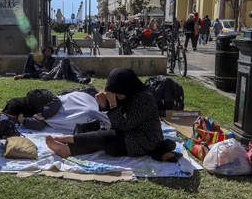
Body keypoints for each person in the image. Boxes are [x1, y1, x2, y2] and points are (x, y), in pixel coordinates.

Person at [45, 68, 176, 161]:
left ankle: (67, 146)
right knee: (100, 131)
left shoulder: (144, 99)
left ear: (127, 87)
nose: (117, 96)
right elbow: (118, 119)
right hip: (131, 133)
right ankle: (68, 145)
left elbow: (122, 125)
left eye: (118, 93)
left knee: (107, 138)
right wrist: (104, 105)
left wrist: (112, 104)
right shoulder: (129, 94)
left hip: (146, 141)